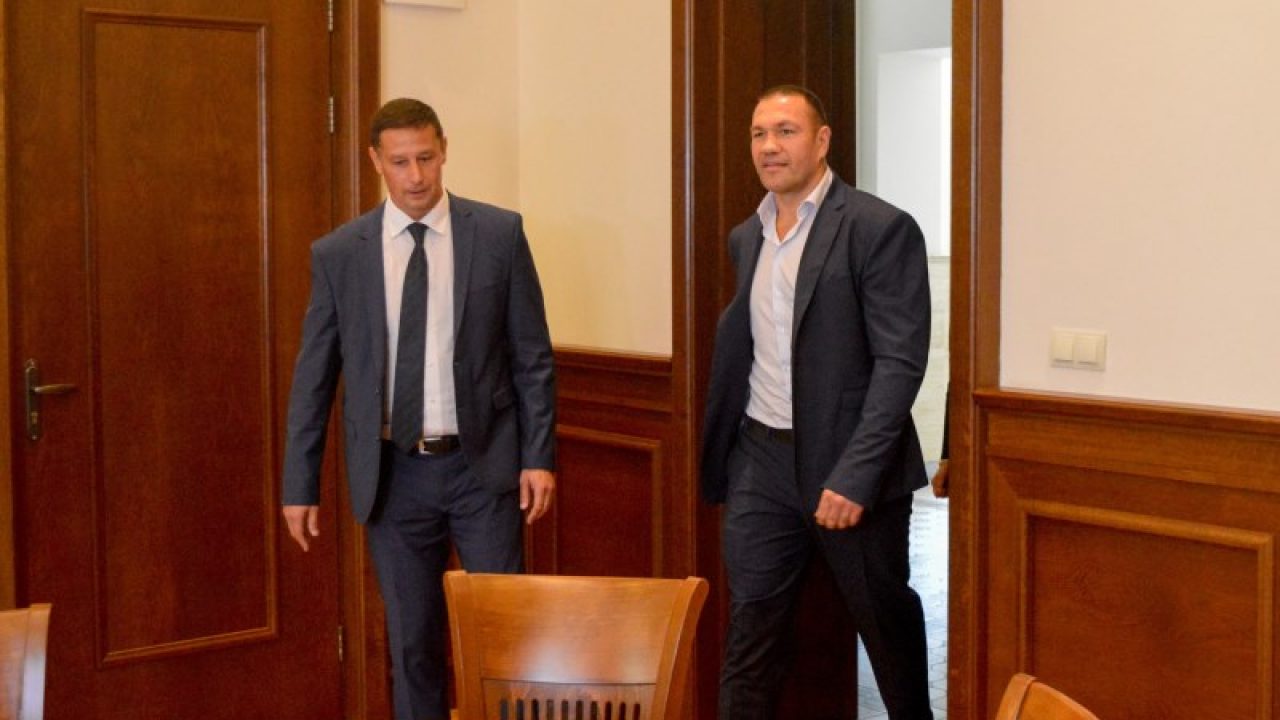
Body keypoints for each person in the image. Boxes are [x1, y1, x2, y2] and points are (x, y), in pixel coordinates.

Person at [280, 98, 556, 720]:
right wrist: (300, 483)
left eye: (426, 158)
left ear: (444, 150)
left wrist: (538, 457)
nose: (415, 176)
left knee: (501, 638)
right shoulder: (340, 253)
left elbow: (532, 356)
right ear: (376, 161)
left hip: (484, 471)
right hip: (394, 475)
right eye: (400, 162)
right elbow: (313, 378)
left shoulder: (498, 234)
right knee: (412, 645)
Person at [700, 85, 934, 719]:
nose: (769, 146)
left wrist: (856, 475)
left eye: (786, 131)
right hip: (760, 462)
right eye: (759, 134)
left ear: (823, 140)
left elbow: (900, 363)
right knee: (750, 634)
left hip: (849, 470)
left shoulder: (878, 228)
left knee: (885, 627)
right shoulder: (747, 236)